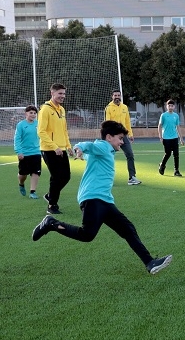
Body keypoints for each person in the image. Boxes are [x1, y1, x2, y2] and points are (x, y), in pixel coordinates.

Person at [31, 120, 173, 275]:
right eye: (120, 138)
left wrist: (82, 152)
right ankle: (51, 223)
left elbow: (89, 152)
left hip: (105, 200)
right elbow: (90, 146)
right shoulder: (103, 146)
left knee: (128, 229)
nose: (122, 141)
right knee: (87, 235)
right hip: (93, 198)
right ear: (109, 137)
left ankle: (150, 262)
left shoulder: (106, 150)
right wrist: (79, 147)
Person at [38, 83, 72, 214]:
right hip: (48, 149)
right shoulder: (45, 110)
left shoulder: (62, 110)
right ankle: (52, 206)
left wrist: (68, 146)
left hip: (61, 149)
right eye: (60, 93)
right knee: (56, 177)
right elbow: (41, 132)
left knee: (66, 176)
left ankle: (49, 196)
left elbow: (64, 130)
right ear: (52, 93)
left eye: (64, 93)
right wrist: (54, 146)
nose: (62, 96)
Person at [104, 90, 141, 185]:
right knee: (108, 156)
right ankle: (106, 178)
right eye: (115, 95)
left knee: (130, 155)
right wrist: (110, 136)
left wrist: (130, 134)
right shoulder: (108, 108)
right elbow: (107, 123)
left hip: (123, 136)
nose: (117, 97)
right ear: (112, 96)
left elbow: (127, 122)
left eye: (118, 95)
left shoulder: (124, 107)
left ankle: (132, 177)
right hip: (112, 136)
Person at [14, 106, 42, 199]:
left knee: (36, 172)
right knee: (23, 174)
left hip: (37, 152)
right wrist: (19, 152)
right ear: (26, 114)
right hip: (24, 153)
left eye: (34, 113)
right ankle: (21, 184)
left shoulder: (38, 124)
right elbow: (17, 139)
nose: (33, 115)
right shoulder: (21, 125)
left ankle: (32, 192)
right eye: (31, 113)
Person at [157, 99, 184, 177]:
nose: (170, 107)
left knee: (176, 154)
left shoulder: (176, 116)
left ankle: (176, 170)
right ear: (167, 106)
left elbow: (178, 127)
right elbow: (159, 126)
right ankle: (162, 165)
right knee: (168, 153)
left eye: (172, 106)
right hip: (166, 138)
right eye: (169, 106)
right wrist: (160, 137)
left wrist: (181, 138)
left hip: (174, 137)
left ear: (174, 107)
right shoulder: (164, 115)